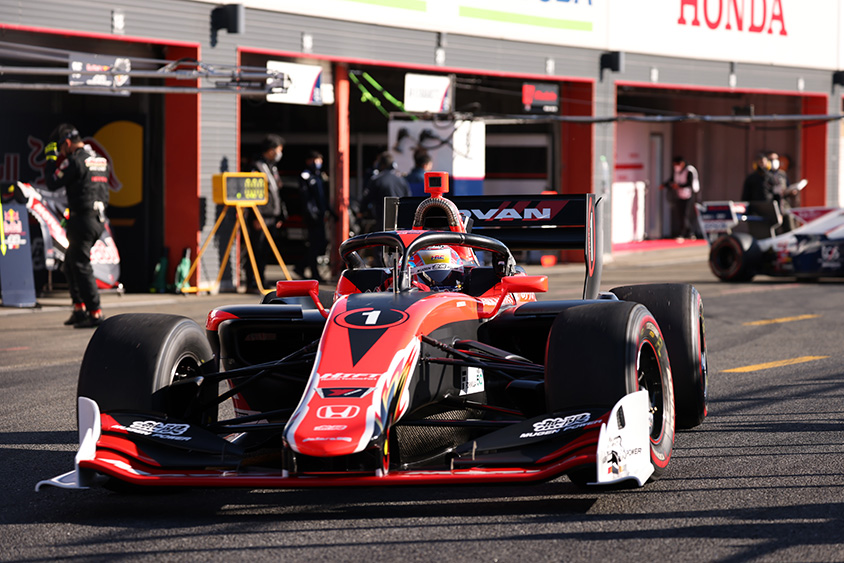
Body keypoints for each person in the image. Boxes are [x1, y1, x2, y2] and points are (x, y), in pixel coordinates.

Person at [43, 124, 109, 328]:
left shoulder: (76, 161)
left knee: (80, 265)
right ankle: (79, 309)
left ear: (67, 143)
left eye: (61, 148)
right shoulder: (100, 159)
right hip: (97, 219)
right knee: (70, 262)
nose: (62, 152)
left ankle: (95, 312)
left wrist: (51, 159)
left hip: (83, 220)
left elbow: (52, 182)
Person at [245, 134, 286, 292]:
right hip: (260, 215)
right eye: (278, 150)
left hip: (271, 216)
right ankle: (252, 281)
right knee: (256, 249)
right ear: (270, 150)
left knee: (264, 251)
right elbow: (253, 194)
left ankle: (261, 280)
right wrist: (255, 216)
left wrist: (279, 215)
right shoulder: (256, 166)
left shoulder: (271, 167)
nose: (279, 153)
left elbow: (276, 192)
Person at [297, 151, 333, 282]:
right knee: (315, 244)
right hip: (313, 217)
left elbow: (322, 198)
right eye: (315, 160)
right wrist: (311, 214)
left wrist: (331, 212)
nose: (318, 163)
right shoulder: (306, 176)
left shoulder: (319, 176)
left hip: (320, 216)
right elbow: (306, 199)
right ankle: (312, 272)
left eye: (319, 160)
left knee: (321, 244)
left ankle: (301, 266)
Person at [360, 151, 411, 231]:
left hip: (382, 224)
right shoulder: (402, 180)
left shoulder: (376, 180)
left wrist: (361, 212)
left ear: (380, 165)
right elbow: (408, 200)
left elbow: (366, 199)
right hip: (400, 226)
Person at [662, 156, 700, 239]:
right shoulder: (677, 171)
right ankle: (689, 232)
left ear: (682, 163)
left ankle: (685, 233)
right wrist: (665, 185)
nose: (675, 166)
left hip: (689, 195)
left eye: (677, 164)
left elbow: (689, 183)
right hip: (679, 195)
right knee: (681, 214)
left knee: (685, 215)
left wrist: (679, 186)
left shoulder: (689, 171)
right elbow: (672, 180)